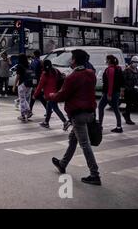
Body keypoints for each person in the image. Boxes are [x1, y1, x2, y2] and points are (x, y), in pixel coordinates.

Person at [47, 49, 101, 186]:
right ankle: (62, 163)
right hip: (90, 112)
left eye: (71, 58)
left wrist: (51, 95)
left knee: (85, 144)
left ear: (75, 60)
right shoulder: (90, 74)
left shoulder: (73, 77)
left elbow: (62, 95)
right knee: (73, 139)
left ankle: (95, 174)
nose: (70, 61)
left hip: (78, 115)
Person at [33, 60, 67, 129]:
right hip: (56, 92)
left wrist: (35, 95)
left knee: (55, 108)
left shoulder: (45, 74)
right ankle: (46, 122)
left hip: (49, 95)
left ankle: (65, 122)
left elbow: (40, 86)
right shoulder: (56, 71)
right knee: (49, 108)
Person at [98, 55, 124, 133]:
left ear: (109, 60)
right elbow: (121, 81)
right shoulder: (118, 68)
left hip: (109, 93)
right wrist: (122, 91)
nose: (105, 61)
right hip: (116, 92)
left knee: (100, 107)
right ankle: (119, 127)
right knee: (116, 109)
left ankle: (99, 126)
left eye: (106, 59)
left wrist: (109, 94)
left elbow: (110, 83)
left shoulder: (110, 69)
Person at [13, 53, 32, 122]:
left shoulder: (19, 66)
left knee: (22, 99)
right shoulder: (28, 65)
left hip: (22, 84)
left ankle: (25, 114)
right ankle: (25, 113)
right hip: (29, 84)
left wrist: (14, 85)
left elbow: (18, 76)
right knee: (25, 100)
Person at [122, 56, 138, 125]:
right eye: (135, 63)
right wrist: (123, 91)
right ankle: (128, 119)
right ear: (132, 62)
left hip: (136, 90)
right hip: (128, 90)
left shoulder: (136, 70)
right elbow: (123, 82)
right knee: (129, 104)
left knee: (137, 104)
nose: (136, 64)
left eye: (137, 63)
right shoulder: (126, 70)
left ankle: (125, 113)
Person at [29, 50, 47, 116]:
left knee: (34, 96)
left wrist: (33, 83)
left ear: (34, 54)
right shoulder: (41, 61)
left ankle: (30, 111)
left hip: (35, 80)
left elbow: (32, 72)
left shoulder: (34, 62)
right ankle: (48, 109)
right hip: (40, 80)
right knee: (38, 96)